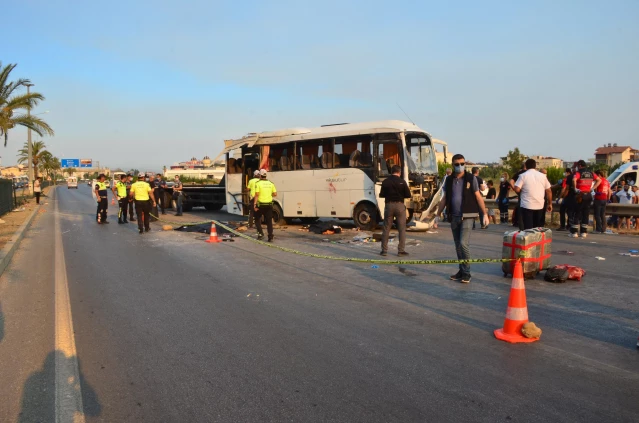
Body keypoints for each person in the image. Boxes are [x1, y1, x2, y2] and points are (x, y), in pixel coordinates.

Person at [432, 154, 488, 284]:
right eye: (457, 164)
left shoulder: (471, 179)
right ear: (453, 165)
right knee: (457, 245)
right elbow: (445, 198)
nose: (460, 166)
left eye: (462, 164)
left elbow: (478, 197)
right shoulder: (449, 180)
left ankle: (467, 272)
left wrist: (484, 214)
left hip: (467, 216)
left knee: (463, 243)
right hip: (454, 216)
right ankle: (461, 270)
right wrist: (437, 215)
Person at [379, 165, 411, 257]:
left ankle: (384, 250)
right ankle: (401, 251)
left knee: (386, 228)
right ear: (399, 172)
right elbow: (408, 195)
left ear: (391, 171)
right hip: (400, 206)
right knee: (401, 229)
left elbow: (381, 195)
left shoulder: (385, 182)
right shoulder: (402, 182)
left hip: (389, 205)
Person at [513, 159, 552, 230]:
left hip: (527, 205)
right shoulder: (543, 176)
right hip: (539, 205)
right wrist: (550, 204)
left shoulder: (523, 176)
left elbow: (517, 189)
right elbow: (549, 190)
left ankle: (529, 240)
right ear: (535, 166)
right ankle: (537, 240)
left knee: (528, 229)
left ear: (526, 166)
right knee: (537, 228)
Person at [569, 160, 595, 238]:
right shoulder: (591, 173)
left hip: (580, 195)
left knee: (577, 213)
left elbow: (574, 180)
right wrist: (592, 188)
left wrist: (575, 188)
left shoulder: (578, 173)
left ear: (580, 165)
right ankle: (584, 232)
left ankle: (574, 232)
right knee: (585, 214)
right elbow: (599, 180)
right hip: (588, 195)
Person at [253, 169, 277, 242]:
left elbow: (257, 195)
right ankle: (270, 236)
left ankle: (260, 234)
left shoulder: (258, 183)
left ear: (260, 175)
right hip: (269, 205)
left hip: (260, 205)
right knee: (269, 221)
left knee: (257, 219)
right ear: (266, 175)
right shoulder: (271, 183)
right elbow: (275, 194)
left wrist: (254, 204)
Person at [592, 170, 610, 234]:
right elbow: (609, 191)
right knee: (602, 214)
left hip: (598, 198)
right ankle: (603, 229)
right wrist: (608, 199)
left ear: (599, 175)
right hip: (604, 199)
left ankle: (598, 229)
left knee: (597, 214)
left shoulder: (599, 180)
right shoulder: (606, 181)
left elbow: (595, 188)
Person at [509, 164, 526, 229]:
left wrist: (515, 190)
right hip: (529, 194)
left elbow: (511, 182)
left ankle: (520, 226)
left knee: (520, 209)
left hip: (521, 193)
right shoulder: (530, 173)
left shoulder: (519, 173)